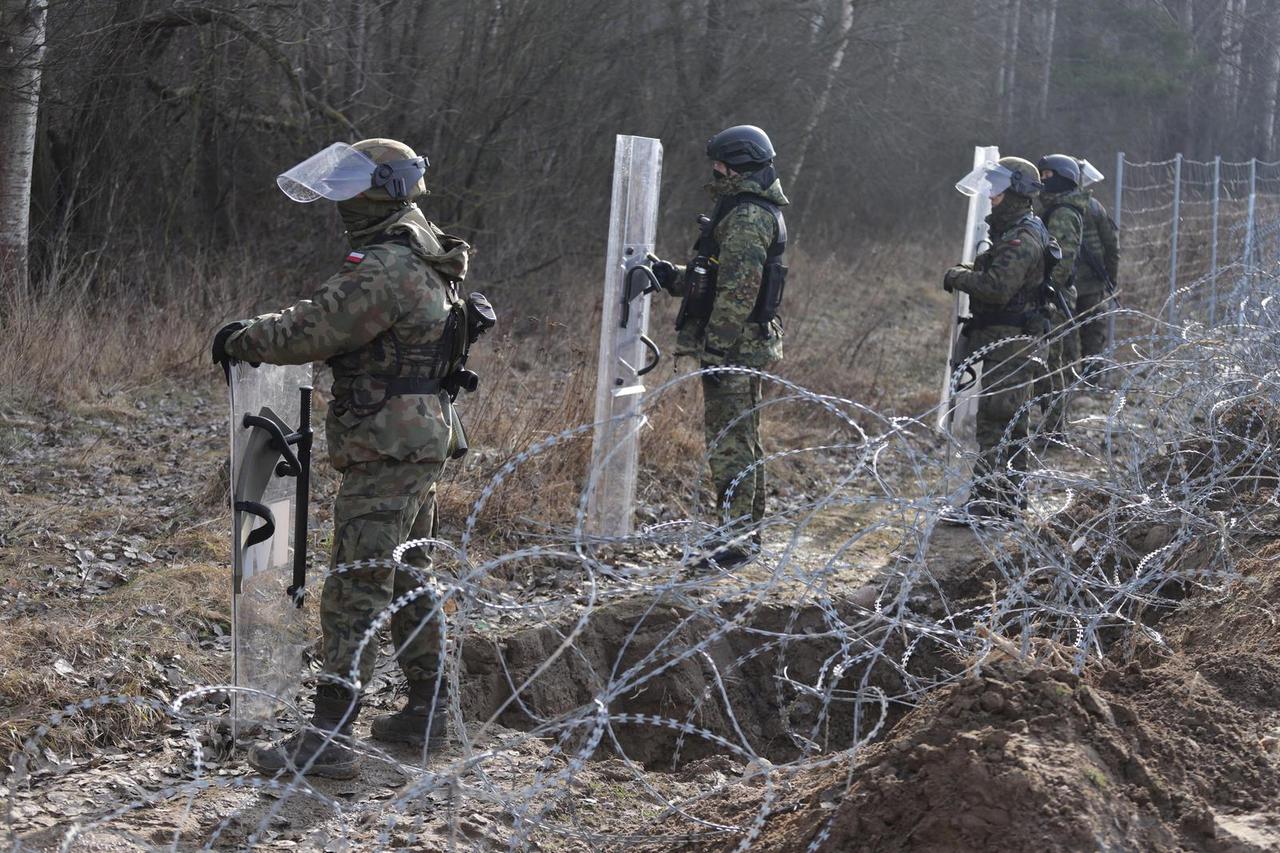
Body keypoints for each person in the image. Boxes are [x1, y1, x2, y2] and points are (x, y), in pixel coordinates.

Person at [211, 138, 494, 779]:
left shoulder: (388, 265)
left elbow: (317, 326)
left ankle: (331, 738)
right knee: (406, 573)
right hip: (418, 437)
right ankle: (430, 709)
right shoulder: (425, 248)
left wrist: (242, 338)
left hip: (390, 442)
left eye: (351, 189)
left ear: (382, 191)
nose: (342, 203)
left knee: (358, 580)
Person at [647, 125, 789, 568]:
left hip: (736, 350)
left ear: (738, 164)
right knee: (740, 440)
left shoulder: (747, 216)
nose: (715, 169)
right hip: (741, 346)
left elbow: (738, 292)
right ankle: (743, 532)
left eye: (721, 163)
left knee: (730, 443)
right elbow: (714, 279)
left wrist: (718, 349)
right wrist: (671, 277)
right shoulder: (742, 208)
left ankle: (737, 539)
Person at [944, 156, 1053, 522]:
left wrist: (958, 277)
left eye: (998, 188)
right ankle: (1005, 498)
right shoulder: (1014, 231)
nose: (990, 194)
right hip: (1006, 341)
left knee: (997, 422)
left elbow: (997, 287)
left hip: (1010, 344)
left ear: (1018, 191)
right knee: (1009, 422)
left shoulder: (1022, 236)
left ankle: (988, 503)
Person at [1034, 154, 1090, 441]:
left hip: (1056, 295)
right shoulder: (1057, 209)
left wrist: (1047, 290)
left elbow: (1062, 259)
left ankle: (1054, 427)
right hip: (1055, 292)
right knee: (1049, 360)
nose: (1043, 181)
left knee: (1051, 361)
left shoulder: (1064, 213)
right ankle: (1052, 423)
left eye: (1047, 176)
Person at [1074, 159, 1120, 378]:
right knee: (1093, 331)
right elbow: (1112, 247)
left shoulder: (1053, 205)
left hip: (1067, 283)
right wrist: (1111, 278)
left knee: (1063, 334)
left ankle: (1064, 381)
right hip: (1091, 285)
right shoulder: (1094, 207)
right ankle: (1091, 379)